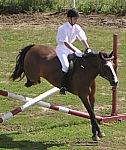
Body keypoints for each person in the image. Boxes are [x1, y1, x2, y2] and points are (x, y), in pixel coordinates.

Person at [56, 8, 90, 95]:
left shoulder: (77, 27)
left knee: (80, 60)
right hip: (62, 49)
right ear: (69, 18)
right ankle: (62, 86)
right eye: (75, 18)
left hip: (70, 48)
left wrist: (88, 48)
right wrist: (75, 51)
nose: (76, 20)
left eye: (76, 18)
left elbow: (82, 39)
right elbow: (65, 42)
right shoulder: (62, 28)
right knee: (66, 66)